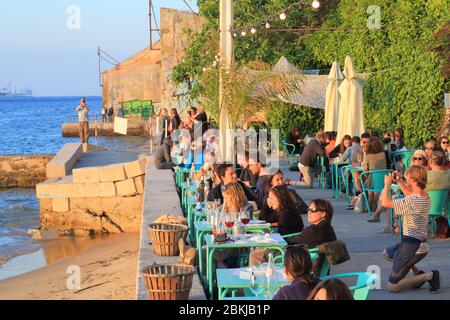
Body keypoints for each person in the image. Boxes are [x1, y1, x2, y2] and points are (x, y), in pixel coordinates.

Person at [380, 166, 440, 293]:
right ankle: (417, 273)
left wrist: (387, 184)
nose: (406, 180)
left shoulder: (412, 201)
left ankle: (429, 276)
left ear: (414, 180)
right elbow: (410, 195)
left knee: (392, 286)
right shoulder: (425, 196)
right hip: (417, 245)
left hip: (412, 247)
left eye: (407, 179)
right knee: (387, 253)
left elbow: (385, 202)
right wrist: (400, 181)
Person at [249, 185, 304, 266]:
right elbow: (263, 219)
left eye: (272, 198)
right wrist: (266, 205)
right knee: (256, 251)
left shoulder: (286, 213)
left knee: (254, 254)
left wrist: (268, 238)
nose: (269, 201)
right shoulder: (285, 209)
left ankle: (255, 275)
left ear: (280, 198)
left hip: (287, 247)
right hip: (288, 243)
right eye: (269, 198)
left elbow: (282, 236)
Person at [361, 136, 387, 211]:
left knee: (370, 194)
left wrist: (367, 175)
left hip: (372, 179)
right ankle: (377, 208)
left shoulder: (368, 156)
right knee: (376, 193)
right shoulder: (383, 154)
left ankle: (370, 209)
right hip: (383, 179)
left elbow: (365, 170)